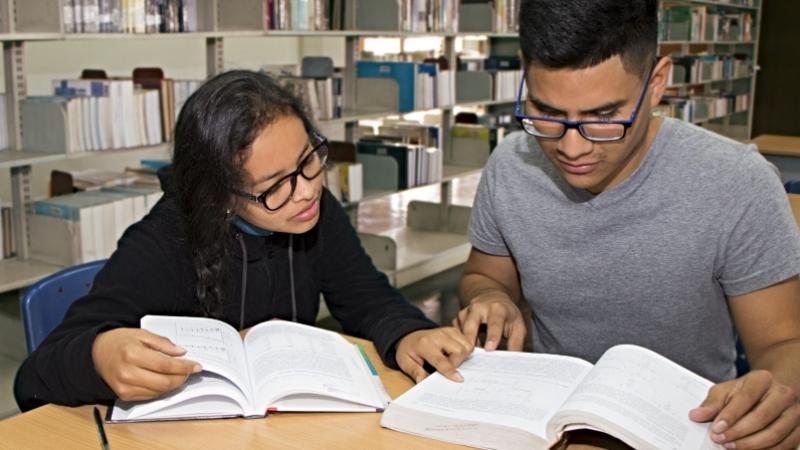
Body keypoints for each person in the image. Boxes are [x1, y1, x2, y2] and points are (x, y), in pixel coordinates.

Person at [15, 70, 473, 411]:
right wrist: (99, 356)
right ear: (220, 197)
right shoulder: (163, 241)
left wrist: (409, 332)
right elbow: (35, 376)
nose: (308, 189)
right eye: (275, 186)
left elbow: (366, 297)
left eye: (309, 159)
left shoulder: (311, 212)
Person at [454, 1, 800, 448]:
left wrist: (781, 394)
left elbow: (784, 342)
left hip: (685, 429)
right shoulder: (511, 164)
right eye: (547, 113)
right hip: (546, 425)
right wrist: (489, 298)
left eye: (603, 118)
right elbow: (483, 275)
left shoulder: (737, 183)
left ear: (656, 83)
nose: (572, 148)